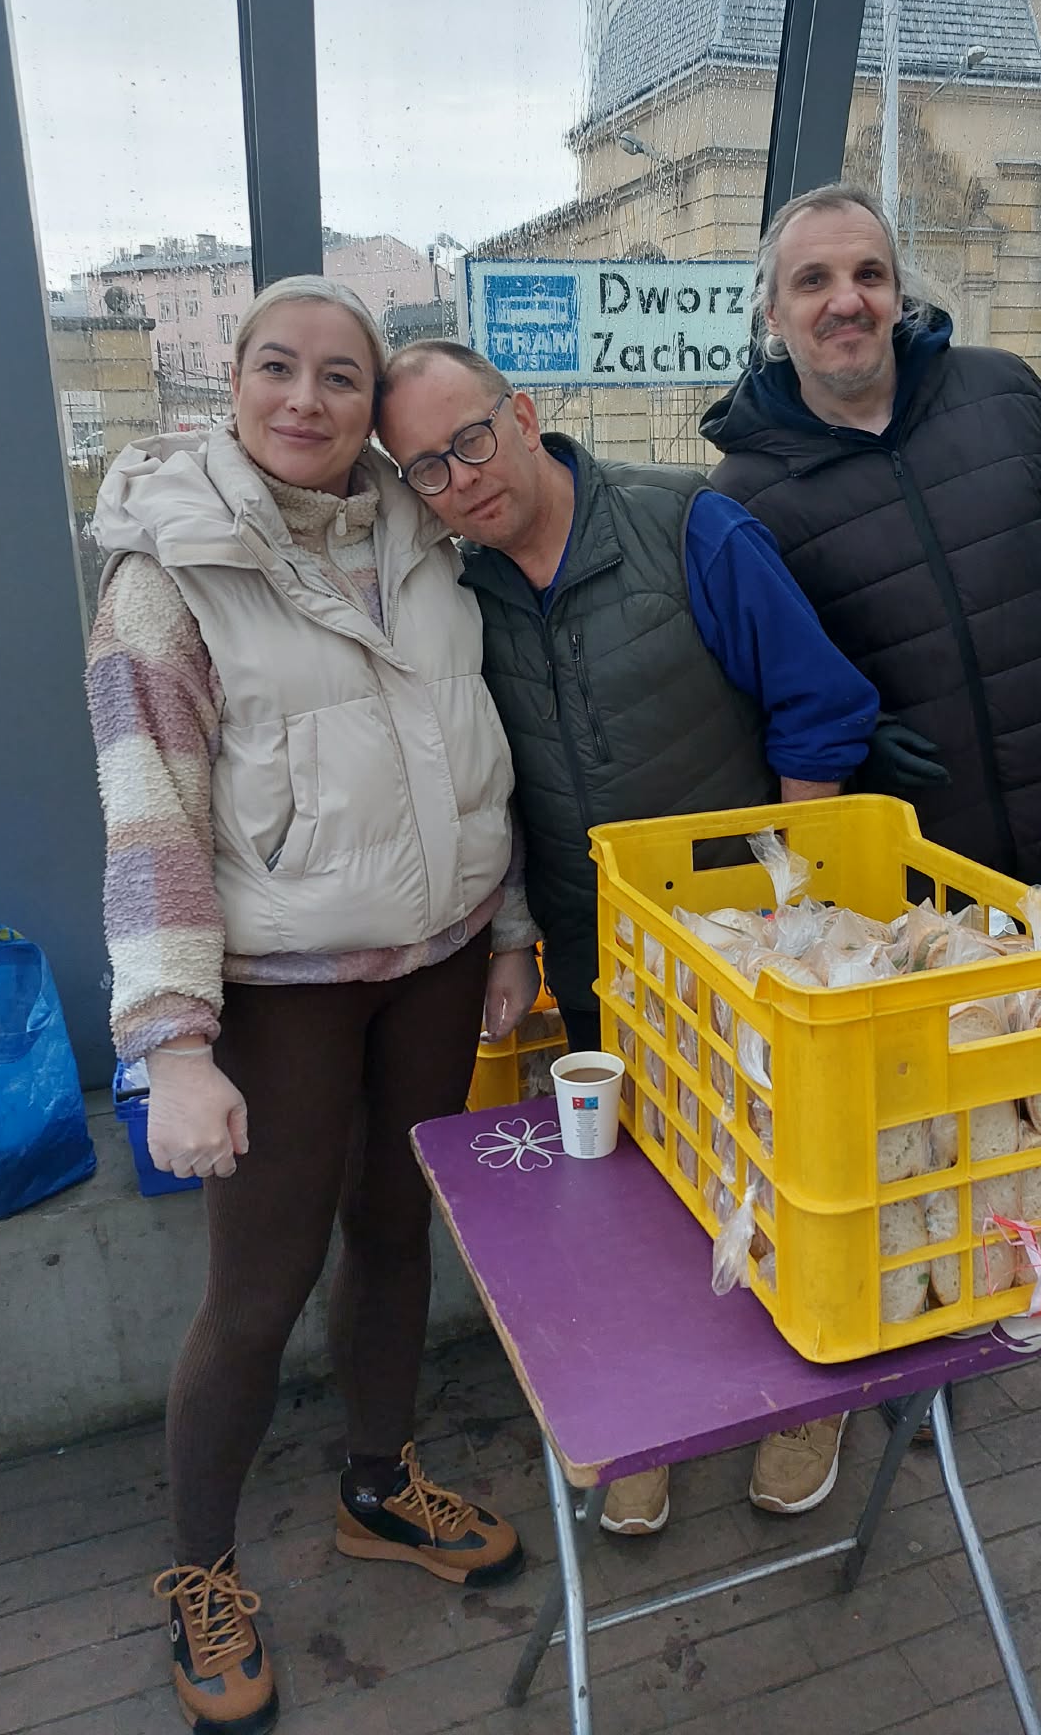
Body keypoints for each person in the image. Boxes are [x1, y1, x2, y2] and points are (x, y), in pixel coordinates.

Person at [87, 278, 535, 1735]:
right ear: (229, 381)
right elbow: (149, 820)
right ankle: (200, 1571)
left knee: (397, 1232)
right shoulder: (166, 572)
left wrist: (509, 933)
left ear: (371, 407)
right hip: (282, 991)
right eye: (277, 367)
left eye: (341, 377)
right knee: (256, 1292)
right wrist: (174, 1044)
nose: (306, 399)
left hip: (438, 962)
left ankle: (377, 1486)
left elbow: (480, 750)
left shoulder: (424, 537)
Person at [376, 341, 921, 1536]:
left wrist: (790, 917)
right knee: (647, 1182)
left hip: (749, 942)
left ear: (524, 415)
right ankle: (669, 1405)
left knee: (787, 1167)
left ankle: (814, 1388)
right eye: (425, 467)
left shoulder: (688, 527)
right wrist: (518, 939)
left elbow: (818, 702)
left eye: (472, 439)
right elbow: (487, 784)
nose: (461, 478)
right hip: (602, 954)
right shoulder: (462, 594)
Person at [701, 182, 1041, 1353]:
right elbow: (773, 675)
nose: (847, 300)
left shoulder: (1000, 393)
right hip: (924, 859)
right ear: (773, 315)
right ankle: (975, 1280)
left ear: (900, 292)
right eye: (813, 281)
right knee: (954, 1103)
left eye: (869, 274)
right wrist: (860, 733)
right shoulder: (747, 493)